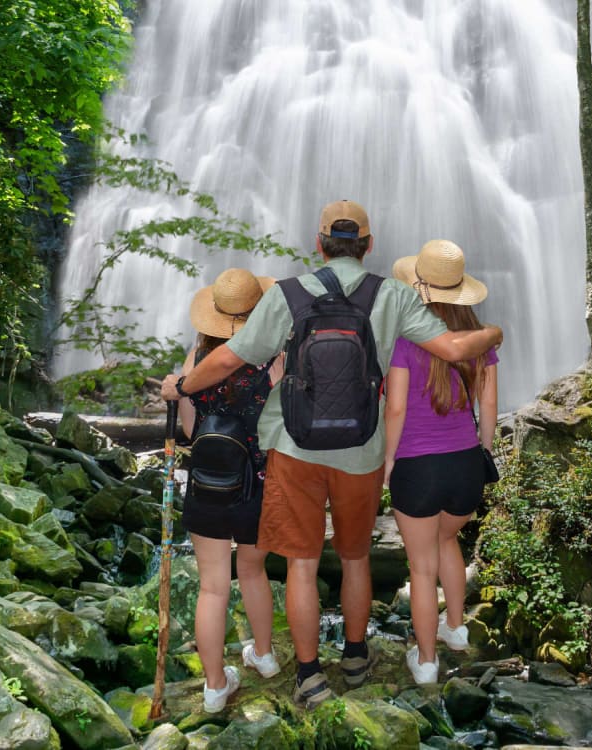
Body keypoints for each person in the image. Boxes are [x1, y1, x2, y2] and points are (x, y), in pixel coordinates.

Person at [162, 200, 503, 709]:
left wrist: (182, 385)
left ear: (318, 244)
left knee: (301, 564)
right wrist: (495, 333)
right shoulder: (391, 295)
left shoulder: (287, 296)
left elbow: (231, 357)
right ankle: (356, 653)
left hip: (294, 450)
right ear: (369, 246)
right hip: (362, 450)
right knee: (356, 557)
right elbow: (455, 349)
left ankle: (308, 675)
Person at [384, 239, 498, 685]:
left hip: (418, 467)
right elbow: (488, 406)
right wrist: (484, 450)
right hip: (466, 465)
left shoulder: (406, 340)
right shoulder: (479, 343)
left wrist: (388, 460)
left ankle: (427, 661)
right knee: (448, 541)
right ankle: (456, 628)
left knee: (421, 566)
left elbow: (394, 408)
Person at [173, 268, 283, 713]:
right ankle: (264, 655)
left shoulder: (197, 360)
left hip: (207, 484)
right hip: (257, 484)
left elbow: (187, 429)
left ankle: (216, 685)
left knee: (213, 588)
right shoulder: (271, 359)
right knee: (254, 571)